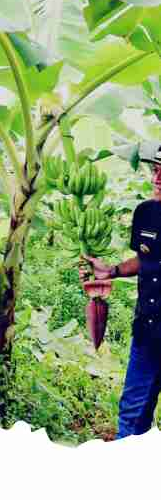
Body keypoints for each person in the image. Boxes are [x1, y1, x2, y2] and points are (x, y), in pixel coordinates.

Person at [81, 146, 161, 439]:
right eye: (155, 169)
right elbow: (145, 259)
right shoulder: (146, 213)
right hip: (148, 328)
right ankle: (127, 473)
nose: (157, 177)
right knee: (133, 409)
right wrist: (110, 271)